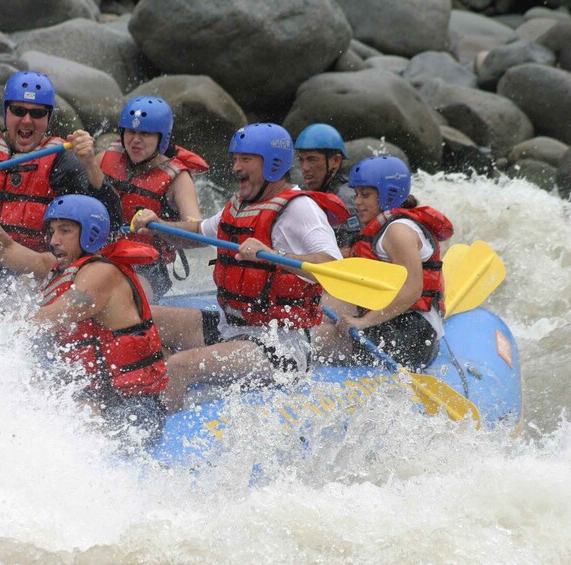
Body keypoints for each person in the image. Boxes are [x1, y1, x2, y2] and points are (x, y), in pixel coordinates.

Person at [131, 123, 349, 412]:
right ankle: (147, 397)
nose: (235, 167)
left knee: (180, 366)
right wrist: (156, 227)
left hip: (279, 345)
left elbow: (334, 269)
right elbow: (197, 232)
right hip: (231, 326)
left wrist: (273, 254)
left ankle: (154, 438)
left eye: (245, 159)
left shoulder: (300, 209)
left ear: (272, 164)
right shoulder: (241, 203)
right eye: (235, 159)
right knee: (137, 319)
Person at [0, 171, 168, 447]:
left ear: (91, 233)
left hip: (133, 413)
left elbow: (46, 319)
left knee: (61, 415)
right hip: (93, 397)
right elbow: (4, 249)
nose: (53, 240)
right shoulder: (57, 267)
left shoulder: (100, 275)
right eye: (52, 231)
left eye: (65, 231)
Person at [0, 70, 123, 259]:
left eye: (37, 113)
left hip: (30, 265)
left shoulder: (61, 161)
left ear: (48, 118)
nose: (27, 120)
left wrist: (90, 164)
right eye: (18, 110)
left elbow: (112, 222)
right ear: (5, 111)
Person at [71, 96, 208, 299]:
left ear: (162, 139)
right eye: (131, 131)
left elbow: (199, 235)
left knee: (120, 297)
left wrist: (159, 224)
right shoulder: (102, 159)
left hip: (148, 267)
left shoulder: (178, 179)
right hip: (99, 256)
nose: (135, 140)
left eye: (145, 134)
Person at [327, 156, 453, 369]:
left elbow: (412, 289)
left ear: (389, 194)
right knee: (321, 306)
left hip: (412, 336)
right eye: (357, 194)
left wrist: (363, 322)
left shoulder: (398, 232)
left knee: (322, 336)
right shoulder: (385, 228)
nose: (357, 202)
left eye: (365, 195)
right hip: (396, 324)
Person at [295, 123, 361, 254]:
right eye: (301, 160)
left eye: (312, 160)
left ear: (335, 161)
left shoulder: (348, 198)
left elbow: (353, 251)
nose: (305, 167)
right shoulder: (312, 193)